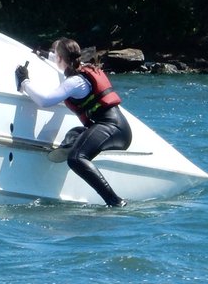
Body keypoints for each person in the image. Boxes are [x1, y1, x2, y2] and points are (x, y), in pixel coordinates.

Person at [15, 38, 131, 207]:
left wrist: (24, 82)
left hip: (113, 127)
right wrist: (44, 54)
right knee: (75, 133)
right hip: (113, 126)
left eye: (56, 55)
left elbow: (45, 101)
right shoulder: (81, 68)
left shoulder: (75, 82)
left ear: (61, 58)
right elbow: (61, 60)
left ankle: (115, 201)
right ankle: (69, 145)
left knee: (76, 158)